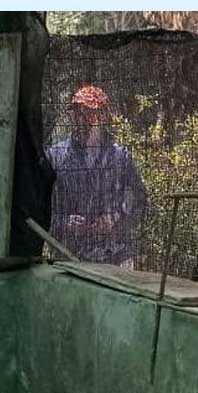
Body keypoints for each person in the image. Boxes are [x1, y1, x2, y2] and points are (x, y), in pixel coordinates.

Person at [46, 85, 147, 267]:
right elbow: (40, 207)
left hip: (115, 256)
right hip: (68, 256)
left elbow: (140, 200)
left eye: (88, 113)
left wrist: (115, 218)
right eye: (77, 113)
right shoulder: (56, 156)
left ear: (102, 117)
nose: (81, 119)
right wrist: (65, 222)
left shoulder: (120, 157)